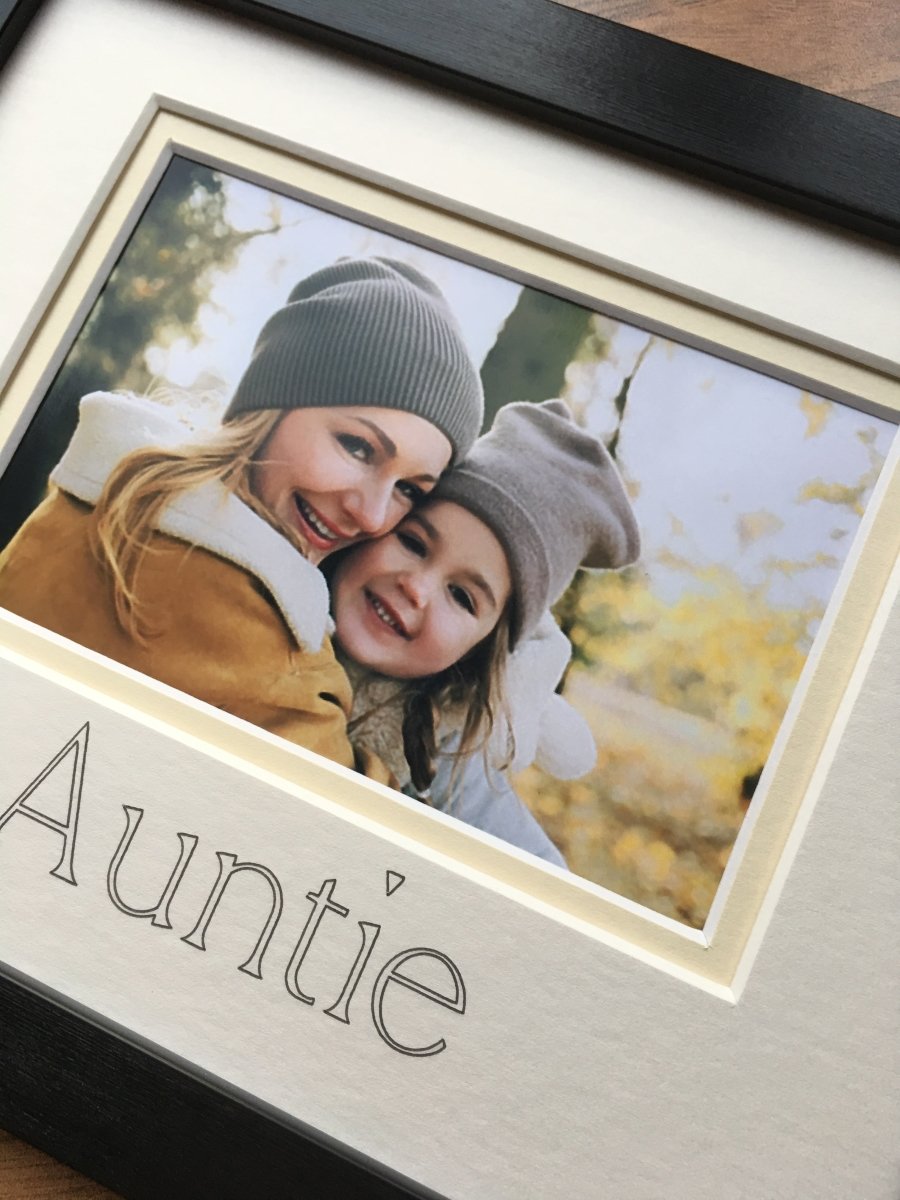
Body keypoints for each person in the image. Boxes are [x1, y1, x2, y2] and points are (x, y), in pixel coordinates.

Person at [0, 258, 483, 774]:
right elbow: (347, 819)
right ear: (272, 402)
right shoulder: (258, 642)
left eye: (408, 488)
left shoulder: (106, 493)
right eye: (358, 447)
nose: (370, 513)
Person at [329, 399, 641, 865]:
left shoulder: (446, 748)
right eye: (413, 543)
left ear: (482, 647)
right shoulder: (265, 596)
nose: (415, 587)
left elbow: (541, 882)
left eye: (462, 597)